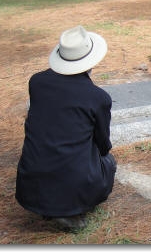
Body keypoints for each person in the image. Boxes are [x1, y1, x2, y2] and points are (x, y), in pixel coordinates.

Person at [15, 25, 117, 231]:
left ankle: (48, 204)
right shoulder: (97, 97)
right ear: (91, 60)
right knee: (109, 163)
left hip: (30, 180)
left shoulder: (37, 82)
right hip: (75, 181)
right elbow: (103, 143)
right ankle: (68, 210)